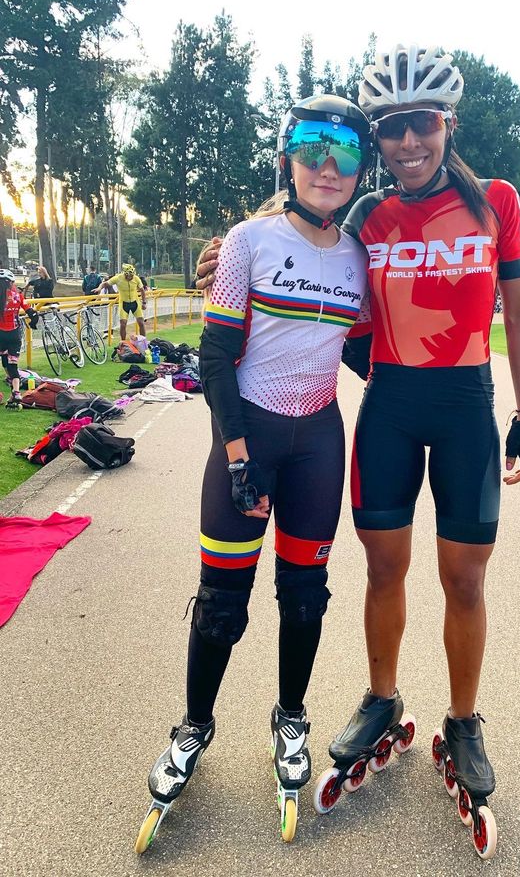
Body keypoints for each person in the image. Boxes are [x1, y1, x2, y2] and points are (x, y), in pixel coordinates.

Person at [198, 45, 520, 858]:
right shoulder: (368, 217)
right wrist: (222, 249)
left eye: (421, 124)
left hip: (465, 407)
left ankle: (463, 722)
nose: (407, 142)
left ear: (446, 125)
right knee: (385, 570)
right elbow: (299, 223)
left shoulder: (497, 202)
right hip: (387, 408)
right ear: (377, 140)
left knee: (464, 576)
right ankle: (382, 699)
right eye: (390, 130)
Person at [136, 94, 374, 851]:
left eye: (343, 153)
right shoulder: (247, 241)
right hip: (249, 439)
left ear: (360, 167)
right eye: (312, 148)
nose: (327, 168)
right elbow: (214, 357)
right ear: (287, 158)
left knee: (305, 599)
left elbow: (365, 353)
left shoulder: (359, 256)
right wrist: (237, 453)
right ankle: (194, 725)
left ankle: (291, 718)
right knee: (222, 606)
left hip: (318, 442)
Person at [0, 270, 38, 409]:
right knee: (12, 364)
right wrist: (33, 323)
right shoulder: (18, 295)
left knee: (4, 362)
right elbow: (32, 312)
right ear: (10, 282)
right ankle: (16, 393)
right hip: (14, 334)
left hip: (0, 334)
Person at [94, 263, 146, 340]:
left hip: (135, 302)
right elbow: (105, 283)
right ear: (125, 274)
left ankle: (143, 341)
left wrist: (144, 302)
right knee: (123, 324)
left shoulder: (136, 278)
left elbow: (142, 290)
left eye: (132, 275)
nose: (131, 277)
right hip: (124, 303)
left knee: (141, 323)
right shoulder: (118, 278)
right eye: (129, 276)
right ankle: (123, 342)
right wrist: (99, 288)